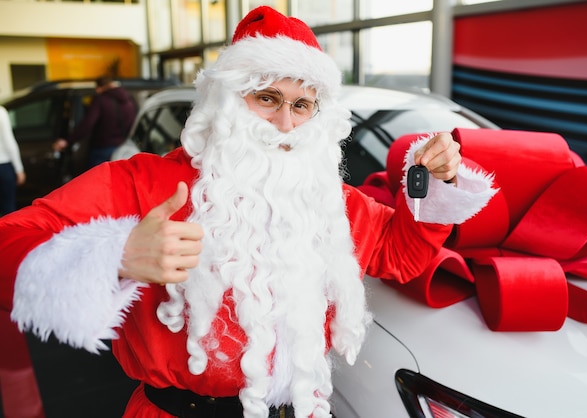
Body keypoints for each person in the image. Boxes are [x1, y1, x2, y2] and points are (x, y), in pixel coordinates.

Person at [0, 6, 497, 418]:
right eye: (267, 98)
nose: (285, 123)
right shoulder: (142, 182)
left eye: (302, 106)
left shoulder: (326, 198)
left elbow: (402, 253)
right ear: (226, 100)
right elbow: (8, 243)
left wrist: (438, 183)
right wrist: (115, 255)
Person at [0, 104, 46, 418]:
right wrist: (18, 168)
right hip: (2, 167)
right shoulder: (1, 111)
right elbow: (9, 141)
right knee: (6, 220)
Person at [52, 75, 137, 167]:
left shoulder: (100, 100)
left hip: (102, 149)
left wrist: (68, 141)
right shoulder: (129, 100)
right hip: (123, 149)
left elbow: (87, 124)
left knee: (97, 179)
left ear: (99, 88)